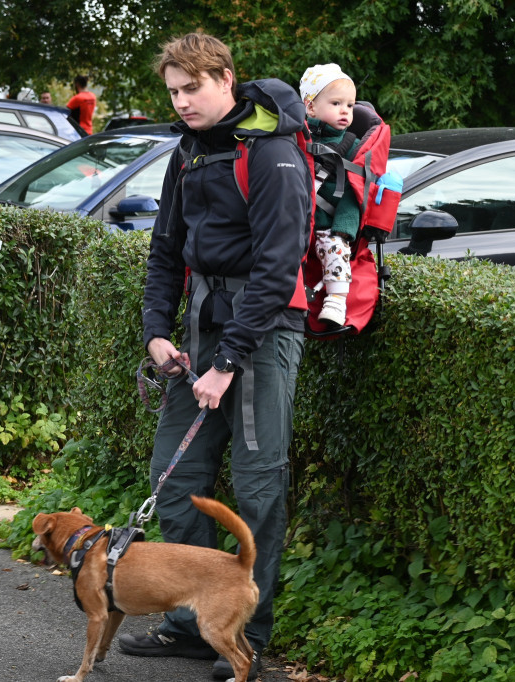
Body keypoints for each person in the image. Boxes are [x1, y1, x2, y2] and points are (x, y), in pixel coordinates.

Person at [117, 33, 310, 681]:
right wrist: (155, 332)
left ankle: (246, 630)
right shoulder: (188, 150)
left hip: (263, 332)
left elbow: (280, 266)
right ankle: (192, 619)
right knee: (175, 480)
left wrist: (228, 360)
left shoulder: (275, 151)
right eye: (172, 92)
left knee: (258, 488)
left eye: (191, 88)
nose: (182, 102)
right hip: (199, 331)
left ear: (226, 78)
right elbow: (165, 251)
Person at [299, 63, 360, 328]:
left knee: (335, 249)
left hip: (329, 221)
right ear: (310, 107)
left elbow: (354, 192)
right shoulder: (296, 136)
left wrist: (344, 227)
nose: (345, 110)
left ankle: (336, 300)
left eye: (350, 105)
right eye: (336, 103)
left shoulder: (352, 146)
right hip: (298, 217)